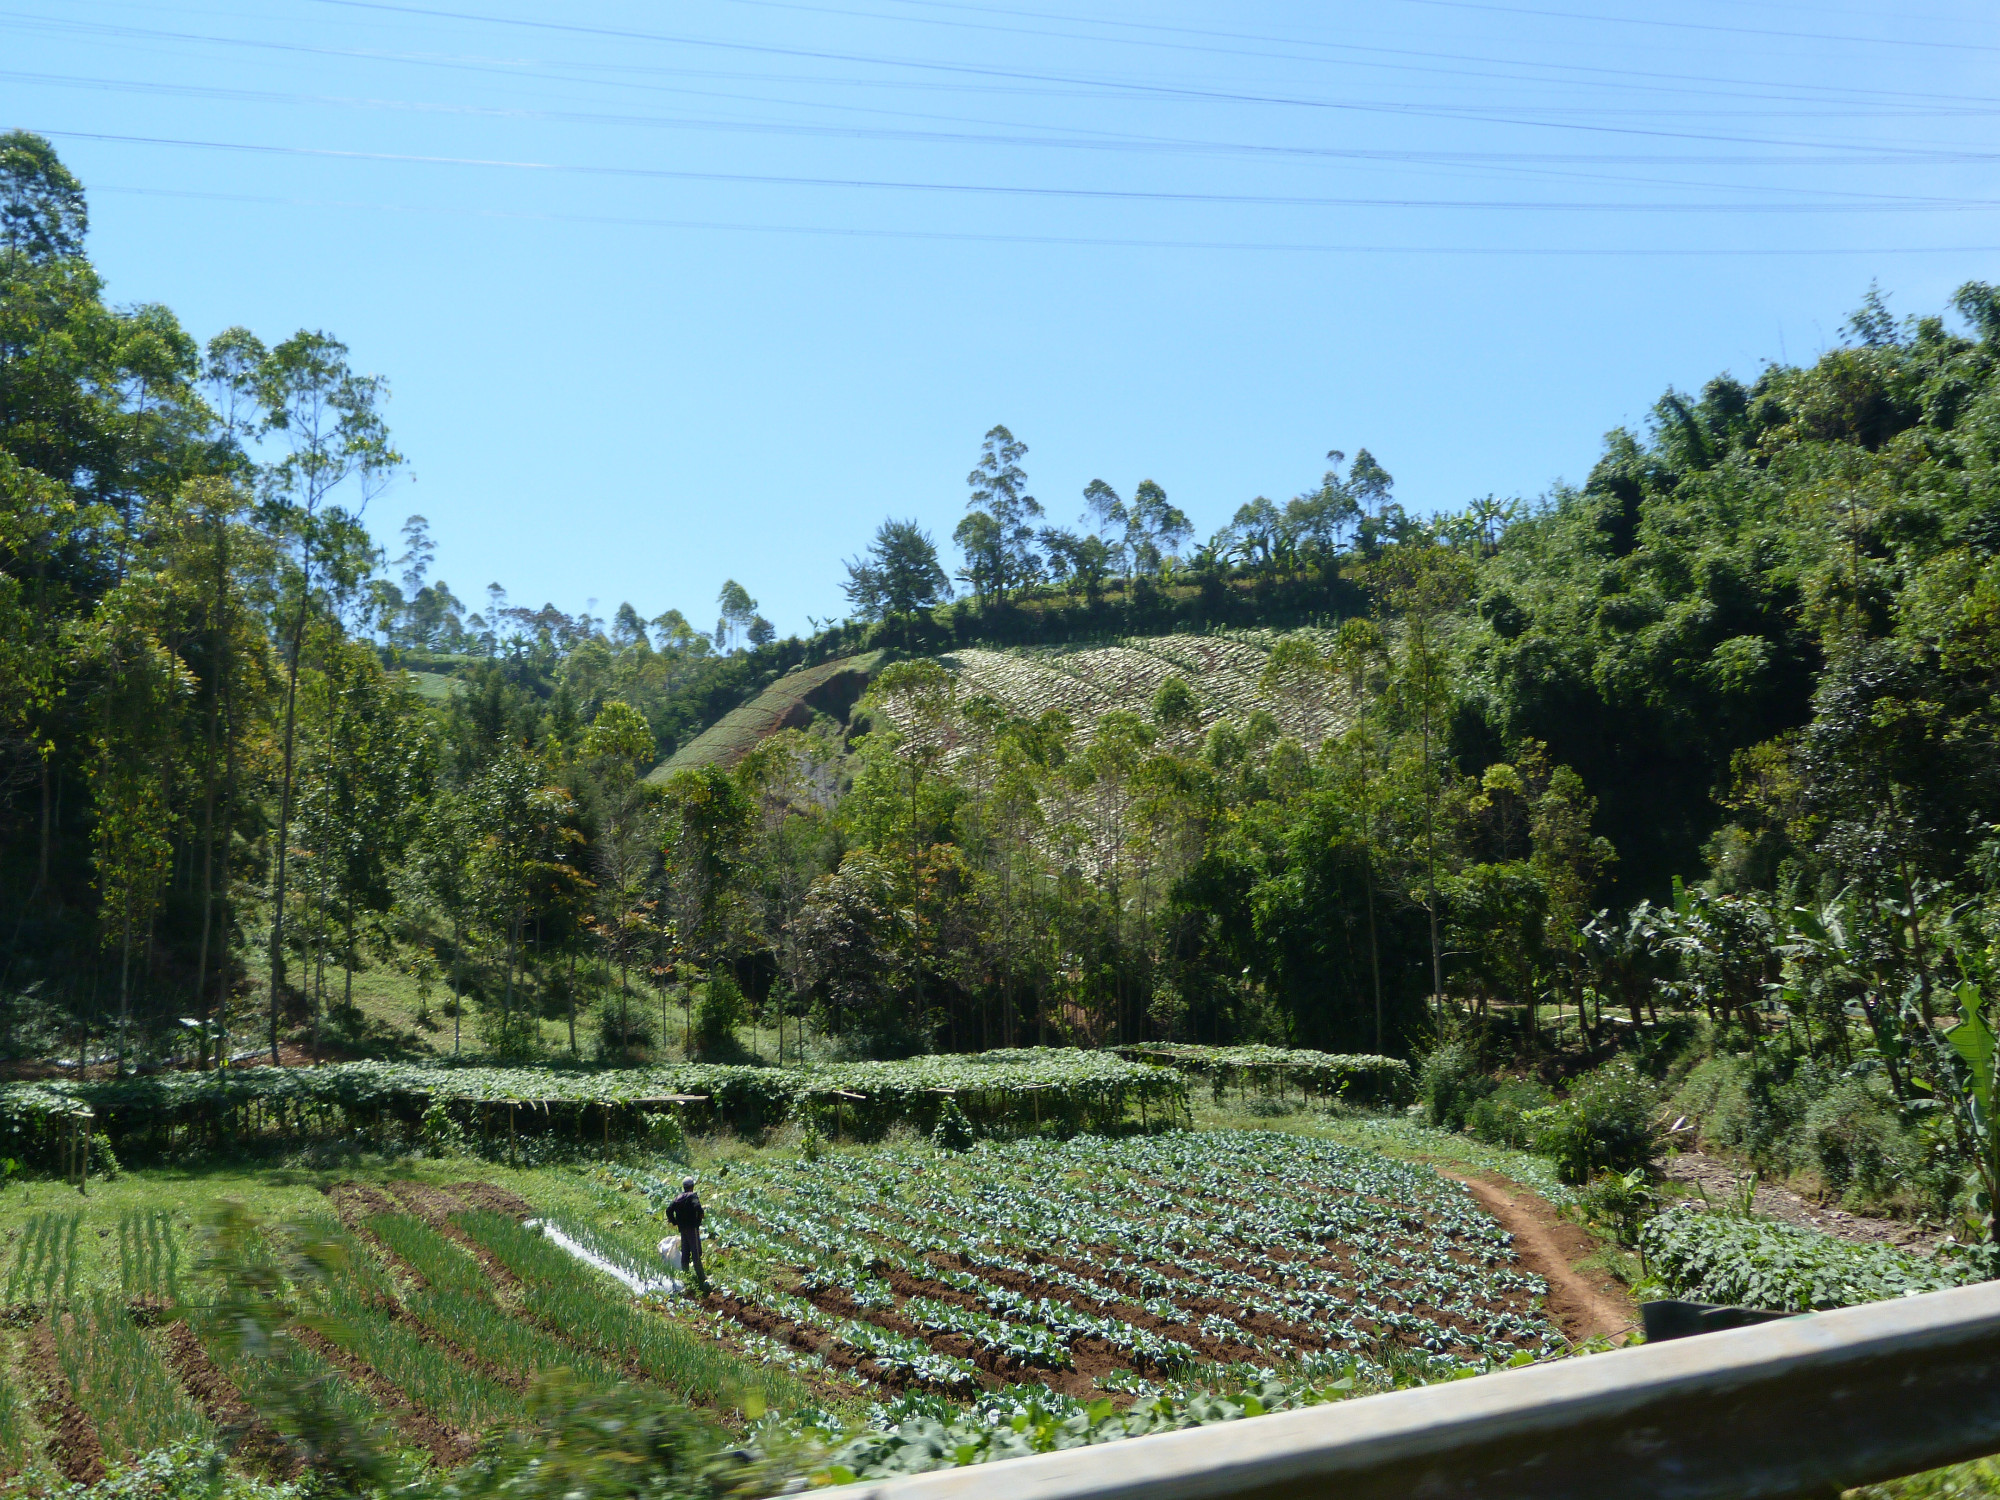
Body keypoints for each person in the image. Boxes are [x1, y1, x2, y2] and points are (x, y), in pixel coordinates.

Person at [665, 1175, 705, 1286]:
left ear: (684, 1187)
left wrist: (674, 1222)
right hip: (692, 1228)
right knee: (696, 1252)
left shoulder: (678, 1198)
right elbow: (697, 1207)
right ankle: (701, 1278)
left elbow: (669, 1210)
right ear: (692, 1186)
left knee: (686, 1252)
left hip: (682, 1229)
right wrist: (700, 1216)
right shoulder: (692, 1196)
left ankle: (686, 1276)